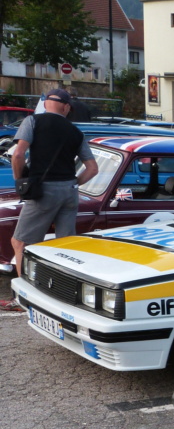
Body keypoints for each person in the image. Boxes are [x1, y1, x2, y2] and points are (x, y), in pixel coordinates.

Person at [2, 88, 98, 312]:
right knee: (65, 246)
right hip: (70, 192)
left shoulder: (32, 121)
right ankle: (64, 298)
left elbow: (17, 154)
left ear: (46, 104)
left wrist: (20, 182)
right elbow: (92, 169)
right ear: (65, 108)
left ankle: (23, 300)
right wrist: (73, 182)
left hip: (43, 191)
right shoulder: (76, 131)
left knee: (21, 242)